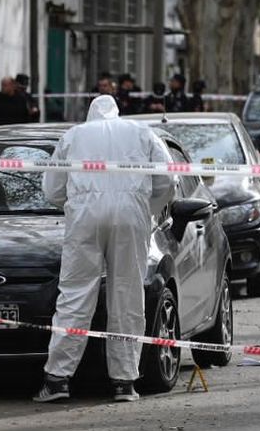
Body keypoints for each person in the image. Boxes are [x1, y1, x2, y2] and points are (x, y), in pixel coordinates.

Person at [34, 95, 175, 403]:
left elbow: (52, 189)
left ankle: (58, 379)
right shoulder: (141, 132)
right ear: (117, 113)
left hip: (85, 215)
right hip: (131, 214)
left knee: (75, 293)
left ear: (90, 115)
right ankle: (125, 382)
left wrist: (74, 203)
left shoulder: (74, 135)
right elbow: (168, 180)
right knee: (127, 294)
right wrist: (147, 208)